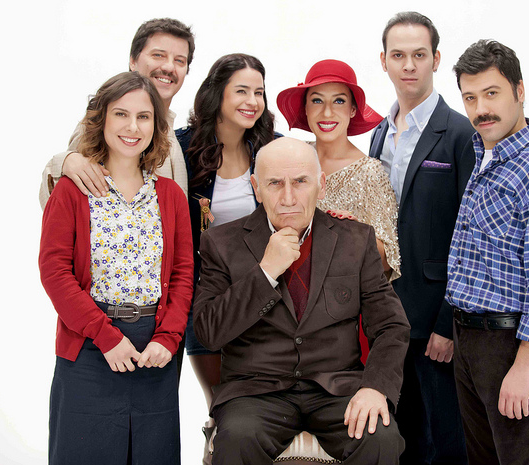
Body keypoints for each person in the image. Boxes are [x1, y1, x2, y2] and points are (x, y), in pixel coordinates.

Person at [193, 137, 410, 464]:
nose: (288, 198)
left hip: (337, 390)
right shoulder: (221, 243)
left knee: (380, 437)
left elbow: (391, 326)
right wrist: (266, 271)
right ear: (256, 188)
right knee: (237, 438)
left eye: (300, 182)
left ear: (320, 185)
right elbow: (209, 332)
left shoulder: (356, 239)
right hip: (255, 393)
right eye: (275, 183)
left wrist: (375, 388)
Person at [39, 71, 194, 465]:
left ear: (156, 126)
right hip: (88, 348)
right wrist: (105, 337)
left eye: (144, 117)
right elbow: (55, 272)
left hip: (154, 352)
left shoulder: (170, 196)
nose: (132, 127)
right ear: (102, 119)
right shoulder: (71, 191)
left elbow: (182, 274)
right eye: (121, 114)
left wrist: (168, 338)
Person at [447, 39, 529, 465]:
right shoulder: (486, 156)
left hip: (511, 345)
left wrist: (525, 366)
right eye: (470, 98)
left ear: (519, 91)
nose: (481, 109)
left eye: (492, 93)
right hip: (469, 339)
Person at [368, 11, 474, 464]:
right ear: (384, 61)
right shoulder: (377, 135)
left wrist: (448, 323)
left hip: (435, 320)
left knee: (447, 443)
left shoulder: (461, 134)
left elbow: (472, 236)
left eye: (418, 55)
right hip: (386, 318)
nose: (408, 65)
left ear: (436, 59)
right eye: (398, 55)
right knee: (403, 442)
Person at [175, 53, 275, 462]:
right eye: (242, 91)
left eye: (259, 92)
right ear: (217, 94)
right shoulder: (181, 148)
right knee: (220, 405)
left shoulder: (269, 147)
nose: (252, 101)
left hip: (265, 295)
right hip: (206, 298)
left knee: (258, 406)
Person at [276, 58, 400, 364]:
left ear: (353, 109)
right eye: (317, 100)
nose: (327, 112)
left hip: (344, 314)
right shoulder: (290, 159)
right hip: (285, 308)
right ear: (305, 108)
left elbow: (390, 256)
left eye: (339, 101)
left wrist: (352, 235)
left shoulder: (369, 172)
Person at [39, 17, 195, 208]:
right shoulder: (105, 122)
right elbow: (60, 197)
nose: (169, 67)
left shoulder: (172, 135)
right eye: (158, 55)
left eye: (179, 60)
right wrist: (65, 161)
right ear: (133, 61)